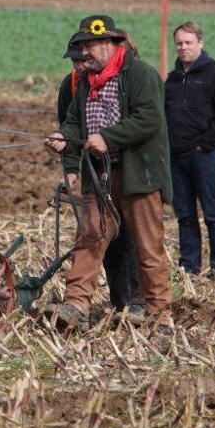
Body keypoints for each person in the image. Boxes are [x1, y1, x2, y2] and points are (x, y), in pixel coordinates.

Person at [47, 15, 173, 333]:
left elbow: (149, 118)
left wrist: (107, 137)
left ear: (108, 43)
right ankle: (76, 305)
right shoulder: (85, 81)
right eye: (81, 47)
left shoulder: (141, 74)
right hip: (98, 174)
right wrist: (63, 137)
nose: (83, 53)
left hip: (138, 175)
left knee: (148, 245)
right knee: (90, 237)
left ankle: (159, 314)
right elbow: (74, 121)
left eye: (88, 46)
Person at [58, 36, 145, 318]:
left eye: (83, 59)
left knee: (133, 238)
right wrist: (71, 167)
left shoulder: (129, 82)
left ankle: (138, 301)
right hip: (95, 172)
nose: (79, 65)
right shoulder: (73, 85)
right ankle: (115, 302)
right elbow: (69, 128)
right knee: (98, 236)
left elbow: (144, 123)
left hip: (130, 171)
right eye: (75, 60)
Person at [164, 21, 215, 276]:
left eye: (188, 42)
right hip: (176, 157)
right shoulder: (172, 80)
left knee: (212, 213)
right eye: (179, 43)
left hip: (204, 156)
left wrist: (205, 143)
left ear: (200, 43)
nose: (183, 47)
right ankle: (189, 267)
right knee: (184, 214)